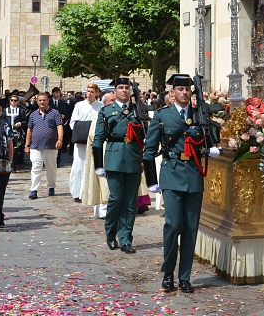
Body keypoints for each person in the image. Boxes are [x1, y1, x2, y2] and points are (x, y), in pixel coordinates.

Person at [143, 74, 220, 294]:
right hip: (172, 173)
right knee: (173, 225)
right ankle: (168, 273)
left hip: (194, 176)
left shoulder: (200, 114)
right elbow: (149, 151)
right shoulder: (161, 115)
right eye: (180, 89)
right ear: (172, 93)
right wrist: (151, 181)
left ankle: (184, 277)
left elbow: (209, 140)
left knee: (190, 229)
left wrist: (213, 148)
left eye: (187, 89)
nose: (184, 93)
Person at [92, 78, 146, 254]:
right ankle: (110, 233)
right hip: (114, 158)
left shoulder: (138, 110)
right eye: (120, 88)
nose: (124, 90)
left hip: (133, 158)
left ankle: (126, 239)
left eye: (126, 88)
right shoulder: (107, 111)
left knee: (131, 203)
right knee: (115, 199)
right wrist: (99, 165)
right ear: (115, 91)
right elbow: (98, 140)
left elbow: (146, 134)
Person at [25, 92, 63, 200]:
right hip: (36, 146)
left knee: (51, 168)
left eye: (44, 100)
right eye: (40, 100)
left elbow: (59, 127)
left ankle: (51, 186)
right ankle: (34, 190)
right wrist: (27, 144)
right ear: (37, 101)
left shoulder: (54, 113)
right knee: (36, 167)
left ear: (48, 101)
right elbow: (29, 130)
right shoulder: (33, 115)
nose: (42, 102)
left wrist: (60, 139)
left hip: (51, 146)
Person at [69, 84, 102, 203]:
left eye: (92, 92)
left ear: (97, 93)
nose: (89, 94)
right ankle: (77, 192)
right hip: (81, 142)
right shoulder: (79, 105)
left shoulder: (100, 106)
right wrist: (82, 132)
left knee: (92, 166)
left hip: (94, 142)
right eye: (88, 91)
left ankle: (90, 193)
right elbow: (73, 122)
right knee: (78, 167)